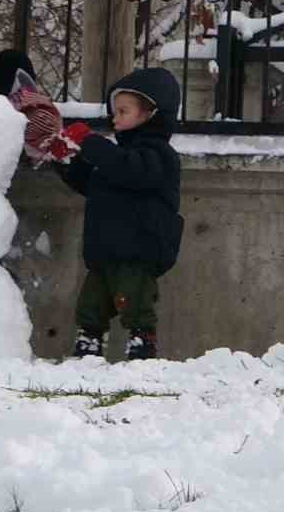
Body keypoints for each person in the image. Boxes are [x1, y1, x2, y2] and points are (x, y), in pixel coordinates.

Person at [40, 67, 183, 361]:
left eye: (123, 111)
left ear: (151, 113)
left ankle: (142, 346)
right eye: (114, 111)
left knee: (134, 302)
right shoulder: (116, 156)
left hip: (138, 250)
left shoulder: (158, 156)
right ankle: (88, 347)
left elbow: (129, 170)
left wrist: (90, 142)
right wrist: (65, 160)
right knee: (91, 303)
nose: (114, 117)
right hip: (106, 249)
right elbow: (91, 183)